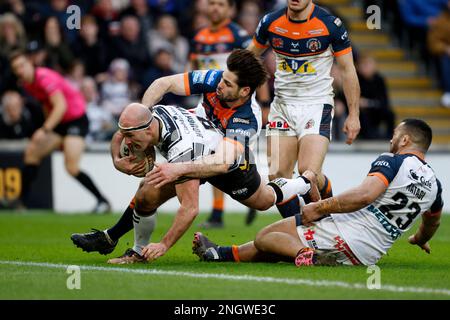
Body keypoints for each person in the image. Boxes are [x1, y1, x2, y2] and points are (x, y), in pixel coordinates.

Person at [71, 49, 319, 264]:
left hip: (228, 165)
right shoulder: (215, 79)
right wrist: (144, 117)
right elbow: (163, 84)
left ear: (245, 91)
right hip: (193, 143)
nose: (220, 85)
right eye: (223, 78)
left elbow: (221, 163)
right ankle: (126, 245)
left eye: (228, 84)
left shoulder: (247, 118)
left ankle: (305, 181)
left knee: (264, 200)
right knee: (147, 193)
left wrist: (177, 170)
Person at [193, 119, 443, 267]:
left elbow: (365, 195)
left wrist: (320, 207)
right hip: (368, 256)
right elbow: (433, 222)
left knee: (266, 237)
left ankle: (305, 255)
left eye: (395, 135)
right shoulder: (435, 185)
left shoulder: (393, 161)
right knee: (283, 240)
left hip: (346, 234)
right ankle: (220, 253)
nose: (391, 139)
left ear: (405, 140)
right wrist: (419, 239)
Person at [247, 0, 361, 218]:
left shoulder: (330, 24)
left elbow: (348, 69)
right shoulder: (271, 22)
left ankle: (327, 225)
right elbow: (250, 57)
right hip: (281, 106)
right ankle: (296, 232)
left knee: (308, 174)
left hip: (316, 105)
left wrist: (353, 115)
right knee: (278, 176)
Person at [189, 0, 270, 228]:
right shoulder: (199, 37)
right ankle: (219, 211)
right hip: (210, 101)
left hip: (237, 105)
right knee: (213, 153)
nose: (215, 8)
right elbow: (194, 64)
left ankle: (253, 196)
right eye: (212, 3)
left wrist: (263, 103)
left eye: (221, 4)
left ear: (230, 10)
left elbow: (256, 71)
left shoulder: (239, 36)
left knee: (235, 160)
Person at [9, 51, 111, 212]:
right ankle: (19, 202)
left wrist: (44, 129)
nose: (19, 71)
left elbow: (61, 106)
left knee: (71, 167)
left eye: (22, 65)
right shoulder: (28, 84)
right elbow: (46, 105)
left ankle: (103, 201)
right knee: (32, 154)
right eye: (16, 68)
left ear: (30, 63)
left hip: (76, 119)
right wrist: (50, 131)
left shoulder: (43, 77)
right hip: (60, 122)